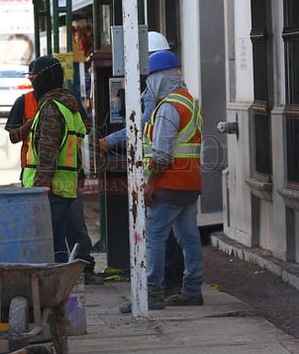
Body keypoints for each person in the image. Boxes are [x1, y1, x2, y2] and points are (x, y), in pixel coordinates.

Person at [97, 32, 185, 296]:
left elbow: (141, 127)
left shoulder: (157, 96)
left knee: (159, 232)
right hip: (176, 173)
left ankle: (160, 285)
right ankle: (175, 281)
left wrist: (109, 141)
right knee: (179, 233)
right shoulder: (176, 93)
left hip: (161, 173)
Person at [121, 50, 204, 312]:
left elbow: (162, 154)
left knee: (154, 237)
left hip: (169, 184)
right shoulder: (189, 101)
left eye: (150, 79)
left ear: (159, 79)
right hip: (190, 183)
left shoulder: (168, 107)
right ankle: (192, 290)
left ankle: (151, 294)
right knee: (189, 237)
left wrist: (151, 184)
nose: (148, 85)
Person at [20, 56, 103, 277]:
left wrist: (40, 187)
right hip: (66, 186)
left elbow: (48, 150)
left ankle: (56, 290)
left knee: (51, 246)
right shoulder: (69, 106)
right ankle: (67, 284)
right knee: (63, 239)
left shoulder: (51, 107)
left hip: (51, 189)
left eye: (34, 79)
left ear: (44, 78)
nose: (32, 84)